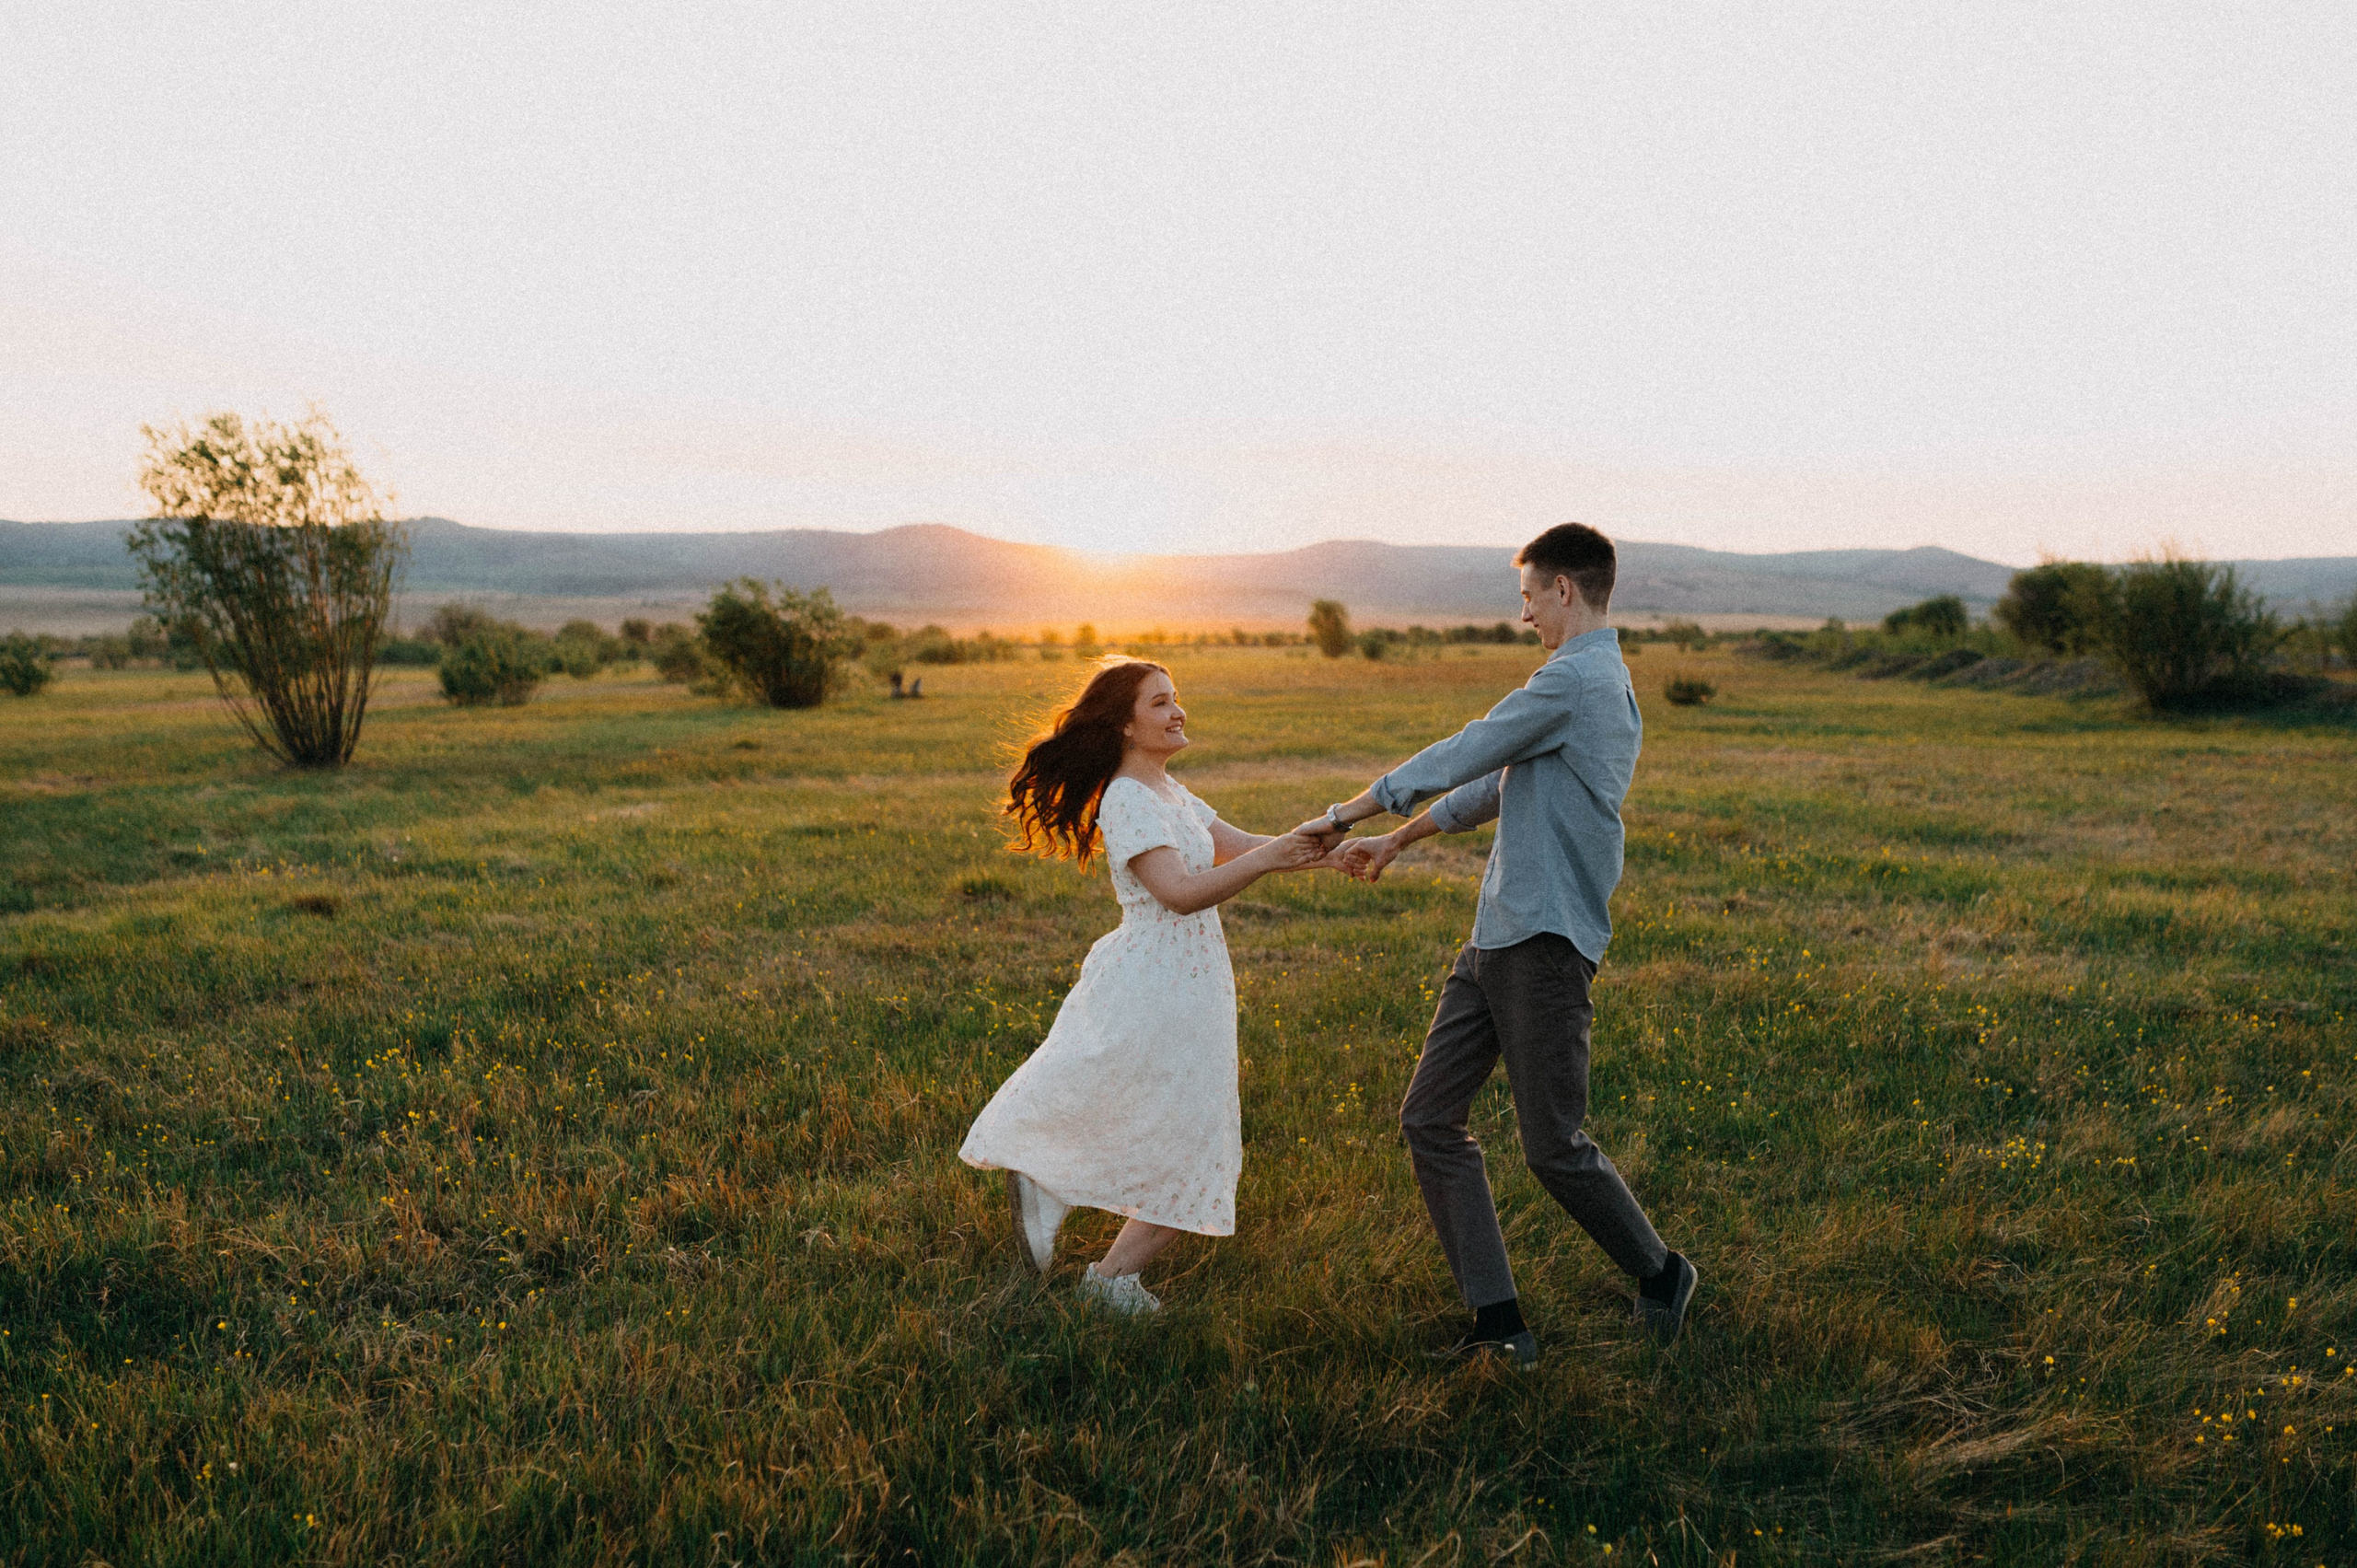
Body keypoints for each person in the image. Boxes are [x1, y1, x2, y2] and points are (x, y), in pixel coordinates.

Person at [1308, 521, 1697, 1365]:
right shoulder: (1572, 682)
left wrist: (1352, 811)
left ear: (1564, 589)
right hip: (1497, 934)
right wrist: (1399, 841)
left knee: (1552, 1146)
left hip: (1545, 939)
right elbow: (1497, 780)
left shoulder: (1581, 679)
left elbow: (1473, 745)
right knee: (1429, 1117)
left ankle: (1663, 1275)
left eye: (1527, 597)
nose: (1523, 616)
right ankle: (1500, 1326)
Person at [959, 658, 1338, 1315]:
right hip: (1159, 980)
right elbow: (1179, 893)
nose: (1177, 711)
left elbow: (1240, 844)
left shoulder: (1166, 788)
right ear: (1126, 726)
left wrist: (1335, 849)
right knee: (1190, 1136)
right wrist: (1270, 858)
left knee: (1171, 1120)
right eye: (1160, 702)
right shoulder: (1127, 796)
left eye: (1176, 698)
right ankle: (1108, 1278)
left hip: (1189, 982)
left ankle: (1057, 1193)